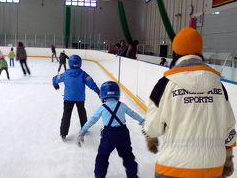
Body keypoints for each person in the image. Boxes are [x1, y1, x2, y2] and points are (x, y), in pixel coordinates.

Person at [142, 27, 236, 178]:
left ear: (176, 52)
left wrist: (150, 137)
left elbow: (153, 127)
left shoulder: (165, 84)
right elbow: (229, 127)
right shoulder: (218, 84)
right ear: (199, 51)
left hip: (173, 167)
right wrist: (228, 158)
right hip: (212, 168)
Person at [77, 81, 144, 178]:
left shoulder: (102, 107)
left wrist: (82, 131)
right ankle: (133, 176)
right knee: (127, 156)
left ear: (103, 95)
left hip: (109, 135)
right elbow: (133, 114)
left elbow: (92, 120)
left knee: (102, 157)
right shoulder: (122, 105)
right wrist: (143, 121)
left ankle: (99, 176)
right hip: (123, 134)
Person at [52, 55, 100, 140]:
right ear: (80, 63)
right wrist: (98, 91)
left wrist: (55, 84)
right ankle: (84, 127)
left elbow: (55, 78)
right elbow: (91, 82)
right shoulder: (83, 74)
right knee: (82, 113)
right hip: (80, 99)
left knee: (66, 114)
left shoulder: (66, 74)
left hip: (68, 98)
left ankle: (63, 133)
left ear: (69, 63)